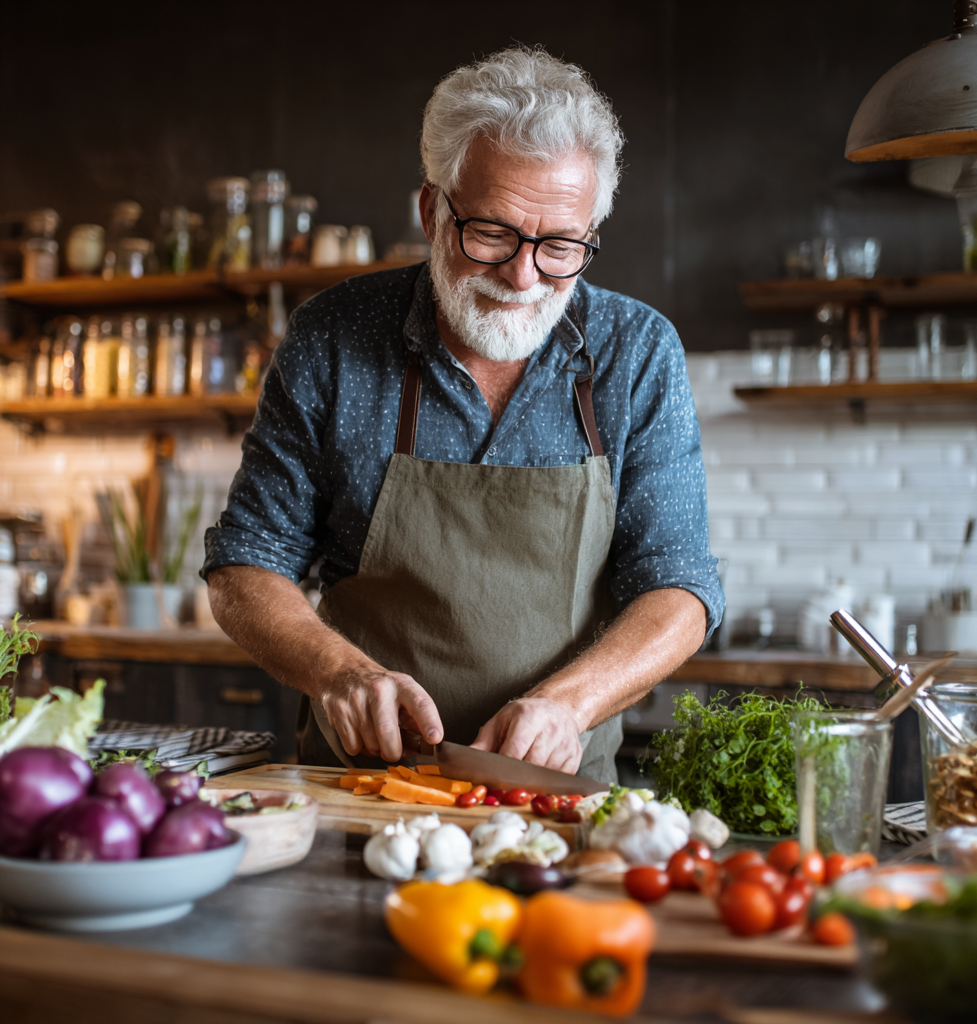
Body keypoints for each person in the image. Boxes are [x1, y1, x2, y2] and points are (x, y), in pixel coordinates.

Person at [203, 47, 723, 783]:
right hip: (362, 784)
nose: (522, 275)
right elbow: (245, 564)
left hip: (554, 797)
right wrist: (337, 672)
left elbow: (679, 588)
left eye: (561, 246)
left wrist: (568, 706)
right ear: (431, 209)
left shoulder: (636, 352)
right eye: (492, 233)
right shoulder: (334, 337)